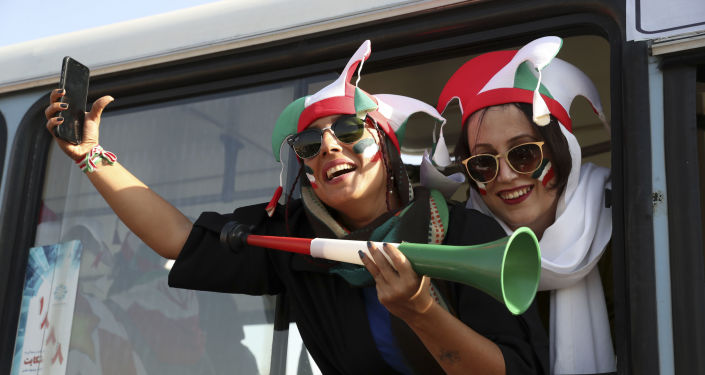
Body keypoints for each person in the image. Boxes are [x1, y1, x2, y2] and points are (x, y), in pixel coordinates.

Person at [45, 40, 548, 374]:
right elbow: (178, 237)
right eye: (310, 145)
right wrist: (92, 157)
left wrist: (419, 310)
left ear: (389, 150)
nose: (329, 148)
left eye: (349, 132)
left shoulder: (465, 233)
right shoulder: (290, 238)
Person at [421, 36, 614, 374]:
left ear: (561, 150)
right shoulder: (458, 259)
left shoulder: (628, 223)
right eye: (484, 162)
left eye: (524, 153)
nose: (506, 176)